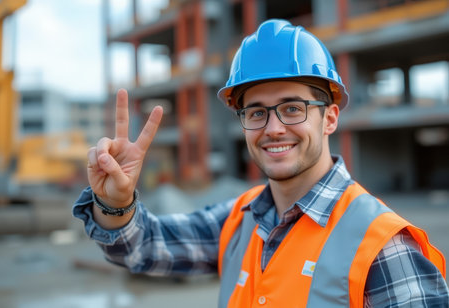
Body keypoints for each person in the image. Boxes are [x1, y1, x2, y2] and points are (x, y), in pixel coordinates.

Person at [73, 19, 448, 307]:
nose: (273, 128)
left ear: (330, 118)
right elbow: (146, 248)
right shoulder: (239, 219)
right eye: (256, 112)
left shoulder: (385, 248)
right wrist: (115, 202)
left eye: (291, 108)